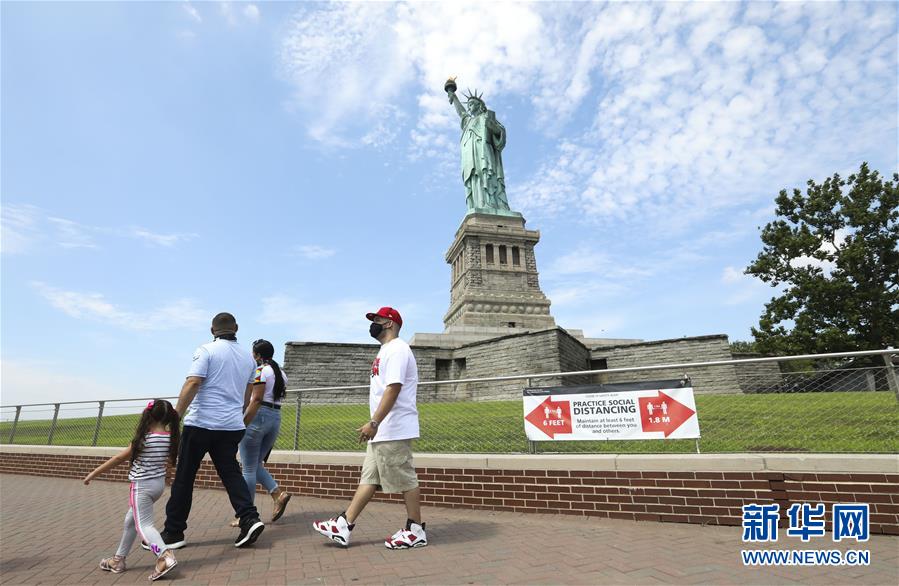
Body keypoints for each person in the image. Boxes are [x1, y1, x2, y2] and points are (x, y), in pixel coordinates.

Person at [313, 306, 427, 549]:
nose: (372, 323)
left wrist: (374, 422)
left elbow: (393, 388)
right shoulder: (385, 350)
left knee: (405, 478)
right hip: (384, 430)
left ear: (389, 323)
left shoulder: (397, 349)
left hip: (393, 427)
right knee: (369, 478)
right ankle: (344, 525)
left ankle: (415, 530)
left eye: (377, 319)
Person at [157, 312, 265, 550]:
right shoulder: (249, 360)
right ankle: (249, 518)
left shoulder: (205, 350)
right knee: (231, 474)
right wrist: (237, 417)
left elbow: (193, 382)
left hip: (201, 424)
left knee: (185, 477)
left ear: (211, 330)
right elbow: (247, 396)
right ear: (236, 328)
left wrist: (175, 417)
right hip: (231, 426)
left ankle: (174, 532)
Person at [83, 399, 181, 581]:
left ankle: (164, 556)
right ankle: (118, 560)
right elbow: (168, 464)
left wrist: (93, 474)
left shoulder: (143, 438)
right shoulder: (170, 438)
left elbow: (119, 458)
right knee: (131, 520)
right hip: (157, 486)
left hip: (141, 487)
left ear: (149, 415)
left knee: (143, 526)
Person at [229, 339, 292, 526]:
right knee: (255, 465)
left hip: (258, 417)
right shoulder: (281, 373)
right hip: (275, 417)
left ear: (256, 355)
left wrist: (243, 423)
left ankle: (246, 515)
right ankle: (277, 494)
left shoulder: (260, 371)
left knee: (248, 468)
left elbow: (255, 399)